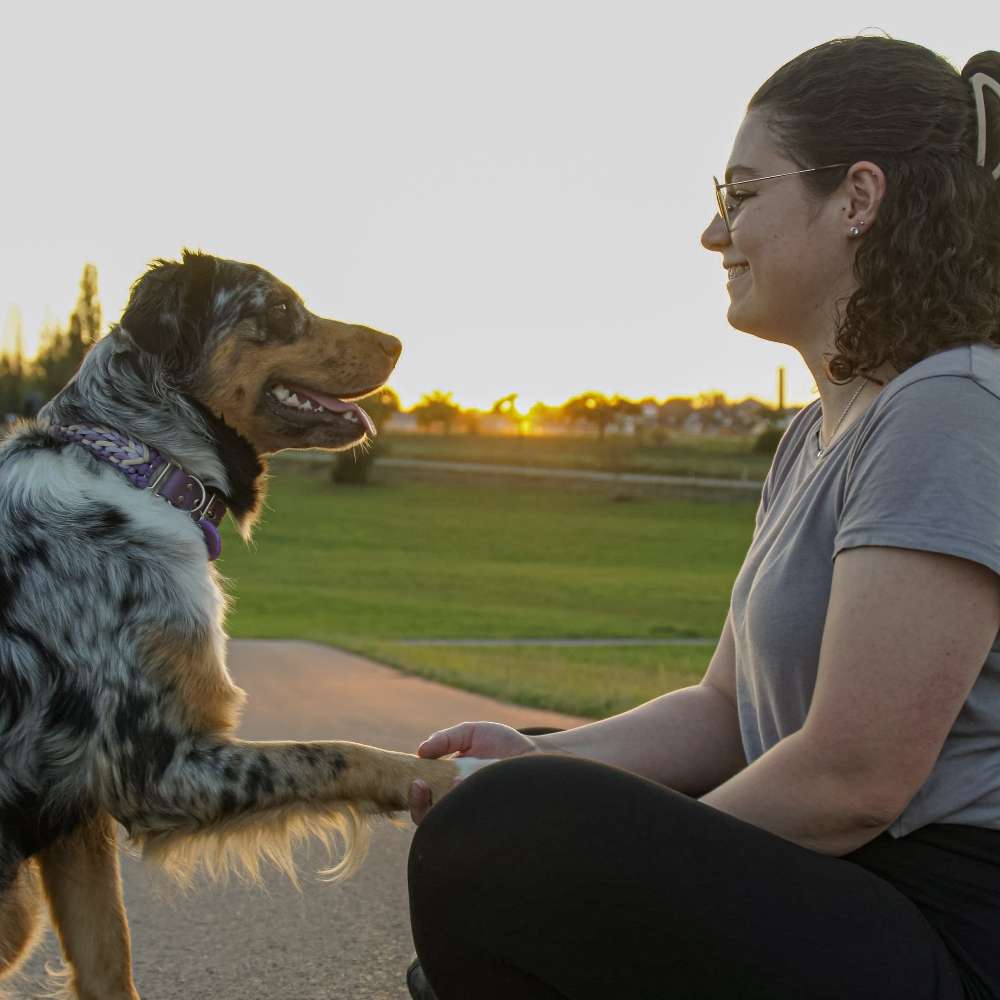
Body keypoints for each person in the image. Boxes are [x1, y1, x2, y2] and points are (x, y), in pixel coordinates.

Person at [404, 35, 1000, 1000]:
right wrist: (540, 759)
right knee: (511, 814)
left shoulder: (949, 407)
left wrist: (595, 860)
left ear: (857, 199)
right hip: (848, 895)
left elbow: (855, 780)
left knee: (503, 844)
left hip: (948, 929)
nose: (714, 235)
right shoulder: (816, 433)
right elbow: (725, 710)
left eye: (740, 194)